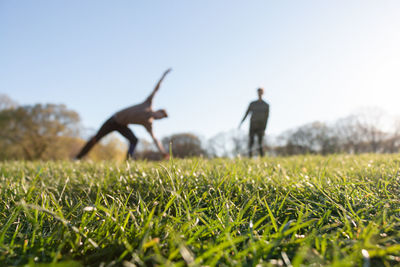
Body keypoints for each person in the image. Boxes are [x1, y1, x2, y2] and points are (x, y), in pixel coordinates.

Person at [75, 69, 172, 160]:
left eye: (162, 118)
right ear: (159, 111)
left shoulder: (148, 123)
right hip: (113, 120)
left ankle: (127, 161)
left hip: (122, 126)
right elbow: (156, 89)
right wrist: (163, 76)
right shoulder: (148, 103)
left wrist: (163, 151)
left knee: (134, 140)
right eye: (161, 115)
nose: (160, 118)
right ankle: (78, 157)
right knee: (96, 138)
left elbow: (154, 139)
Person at [239, 87, 270, 157]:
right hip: (253, 124)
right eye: (258, 92)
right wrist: (241, 122)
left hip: (261, 126)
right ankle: (250, 157)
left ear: (263, 93)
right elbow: (247, 113)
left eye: (261, 92)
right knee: (251, 141)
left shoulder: (266, 105)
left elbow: (267, 117)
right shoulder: (252, 104)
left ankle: (262, 157)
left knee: (260, 142)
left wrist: (264, 128)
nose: (259, 93)